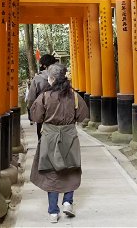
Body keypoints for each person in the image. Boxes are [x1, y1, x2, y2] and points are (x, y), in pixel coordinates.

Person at [30, 63, 89, 223]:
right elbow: (83, 115)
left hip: (49, 136)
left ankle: (53, 212)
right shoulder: (75, 96)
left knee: (51, 172)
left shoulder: (44, 97)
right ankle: (68, 202)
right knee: (71, 168)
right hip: (69, 135)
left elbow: (36, 117)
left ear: (52, 79)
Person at [27, 54, 58, 139]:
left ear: (43, 65)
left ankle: (43, 149)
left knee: (42, 136)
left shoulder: (37, 79)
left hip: (42, 111)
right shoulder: (60, 77)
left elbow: (31, 98)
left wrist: (31, 111)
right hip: (58, 110)